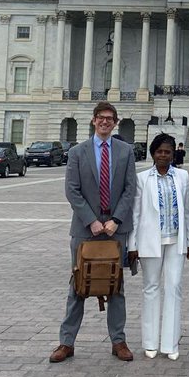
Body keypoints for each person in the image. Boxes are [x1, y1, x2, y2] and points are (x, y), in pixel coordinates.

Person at [51, 101, 138, 363]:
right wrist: (91, 220)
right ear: (93, 120)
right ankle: (66, 342)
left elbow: (129, 189)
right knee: (78, 284)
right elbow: (72, 190)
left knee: (116, 285)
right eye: (101, 117)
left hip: (114, 230)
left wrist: (115, 220)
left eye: (110, 118)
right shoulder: (78, 152)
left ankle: (118, 341)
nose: (105, 122)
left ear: (115, 122)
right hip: (85, 229)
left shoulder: (125, 151)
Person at [127, 133, 189, 360]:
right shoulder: (142, 178)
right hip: (150, 241)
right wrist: (132, 244)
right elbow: (135, 213)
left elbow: (188, 211)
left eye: (167, 151)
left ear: (173, 153)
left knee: (174, 288)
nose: (163, 155)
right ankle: (150, 342)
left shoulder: (183, 176)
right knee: (151, 288)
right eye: (159, 151)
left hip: (175, 240)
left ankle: (170, 343)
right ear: (153, 154)